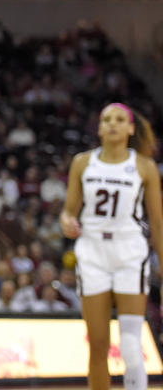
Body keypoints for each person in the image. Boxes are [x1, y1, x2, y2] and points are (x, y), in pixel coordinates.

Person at [61, 103, 162, 390]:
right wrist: (66, 221)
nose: (112, 124)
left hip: (130, 252)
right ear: (99, 128)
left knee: (130, 344)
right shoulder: (82, 162)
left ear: (131, 128)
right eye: (106, 119)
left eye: (120, 119)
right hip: (92, 253)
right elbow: (68, 210)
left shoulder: (144, 166)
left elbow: (157, 223)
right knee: (98, 345)